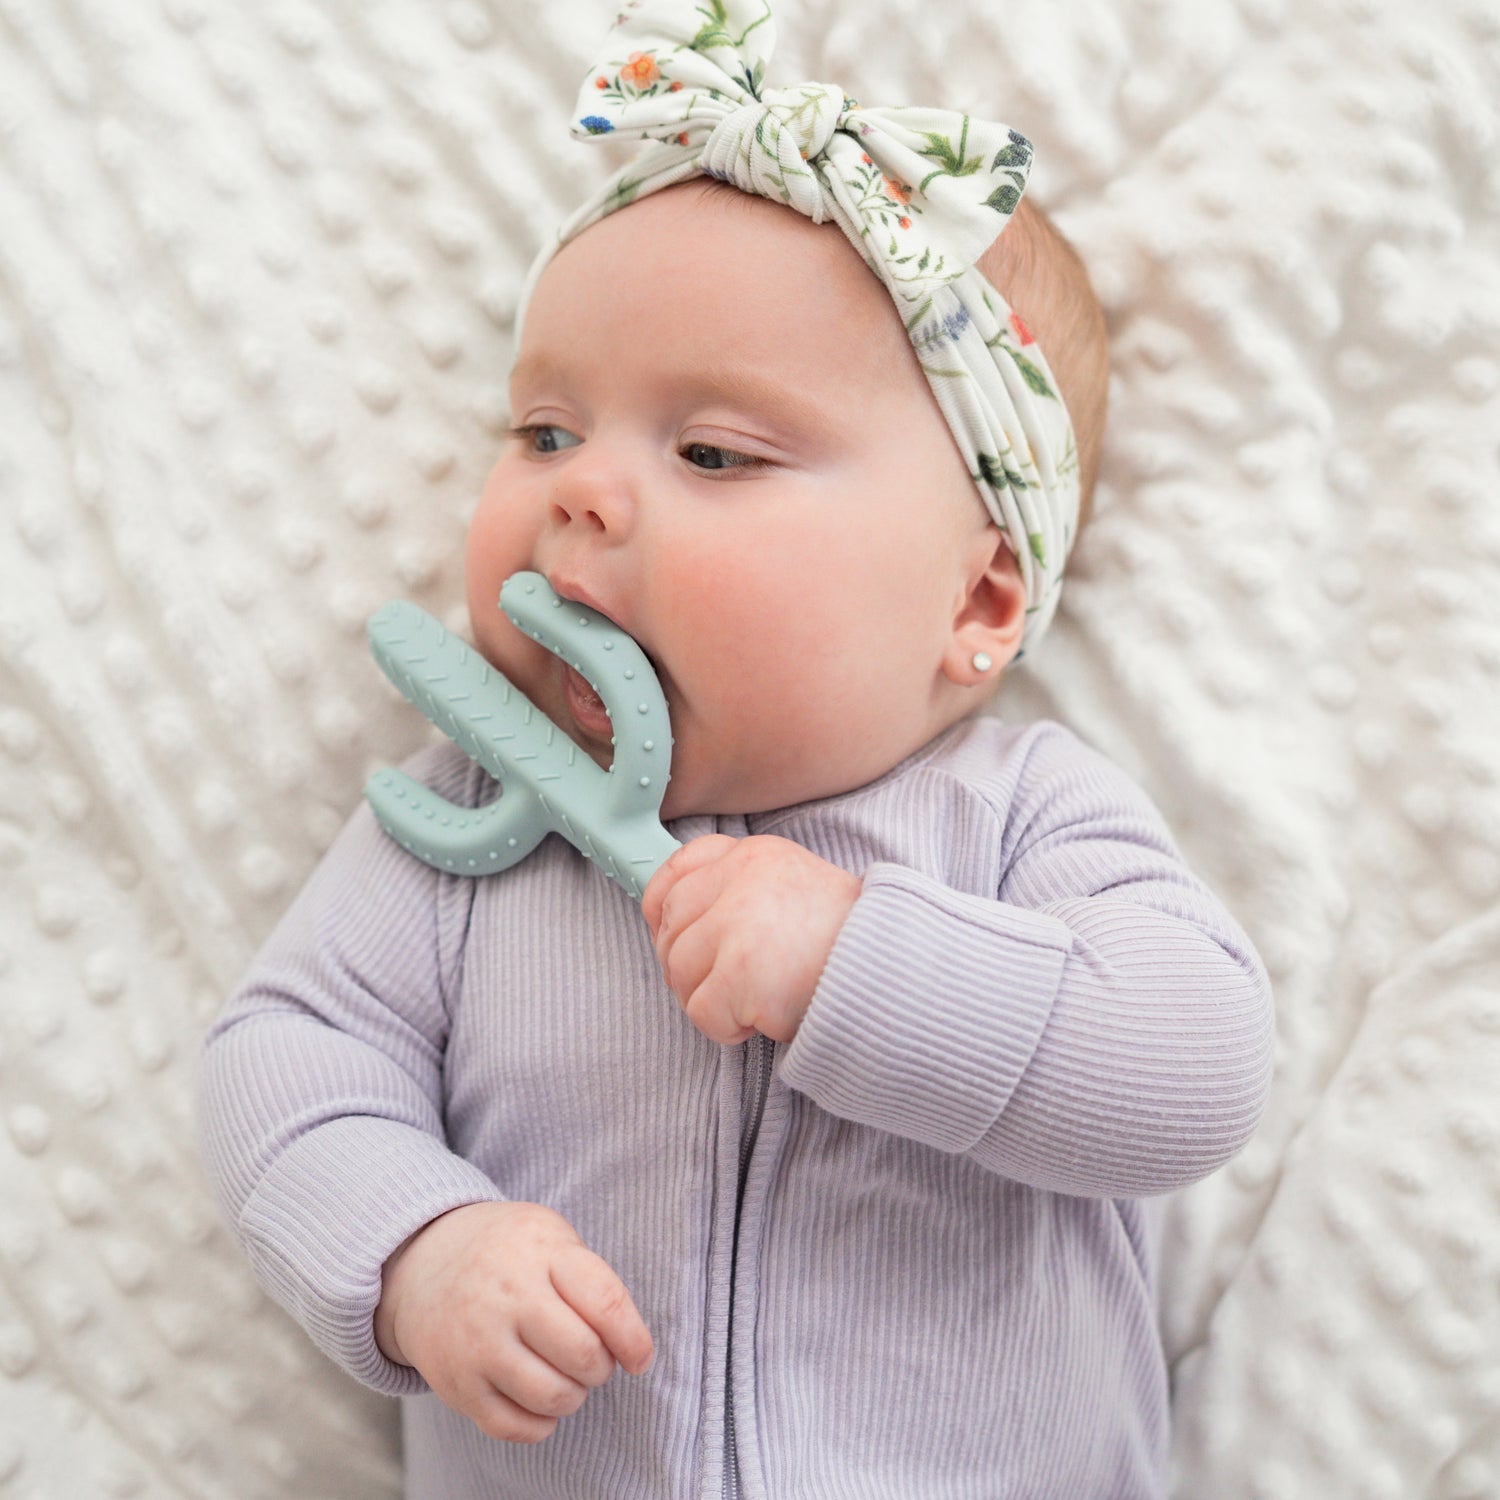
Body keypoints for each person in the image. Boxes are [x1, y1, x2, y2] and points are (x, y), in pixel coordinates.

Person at [197, 4, 1273, 1496]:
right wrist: (415, 1248)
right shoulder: (463, 827)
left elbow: (1195, 1067)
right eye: (547, 431)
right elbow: (282, 1058)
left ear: (976, 600)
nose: (582, 495)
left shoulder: (1022, 817)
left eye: (711, 453)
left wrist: (864, 964)